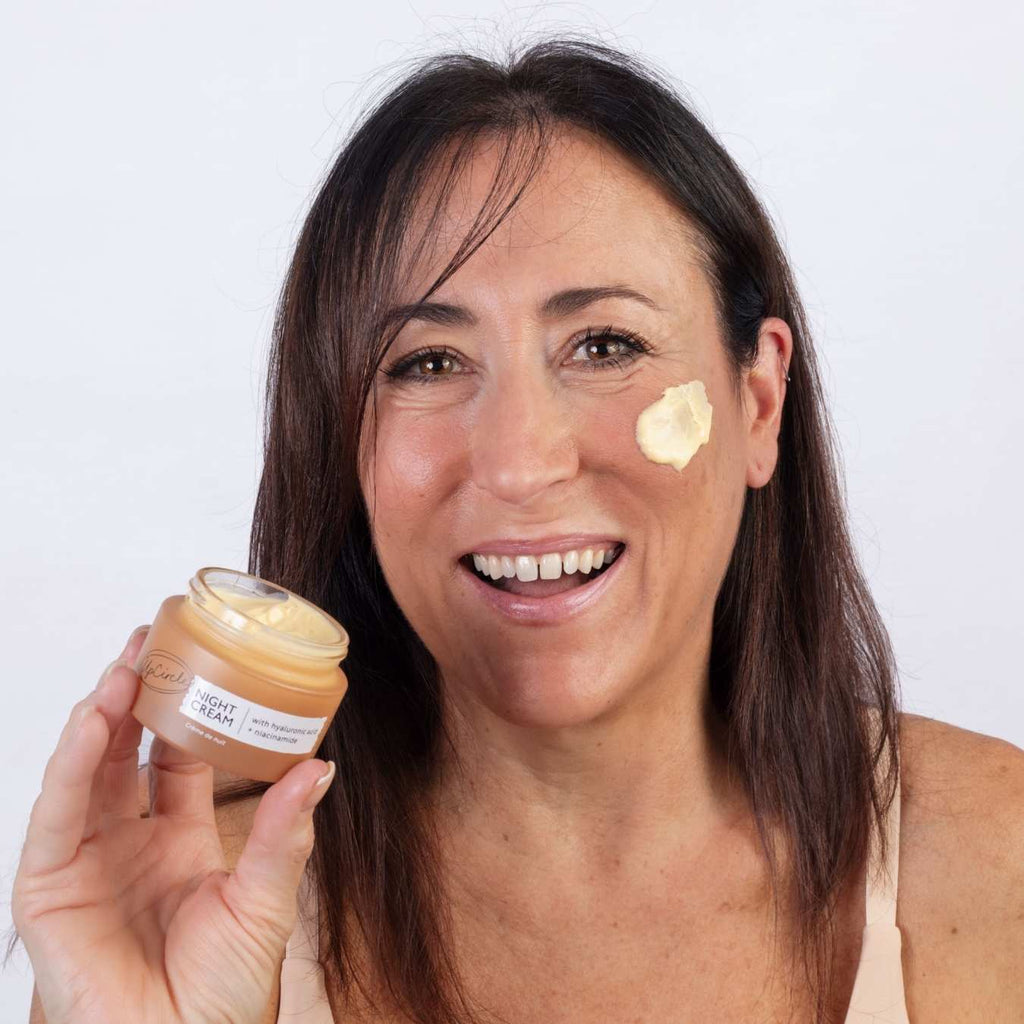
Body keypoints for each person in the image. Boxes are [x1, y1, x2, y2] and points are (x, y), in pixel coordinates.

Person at [11, 35, 1024, 1024]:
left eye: (605, 345)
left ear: (757, 403)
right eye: (426, 363)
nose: (519, 461)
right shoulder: (200, 907)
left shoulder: (998, 859)